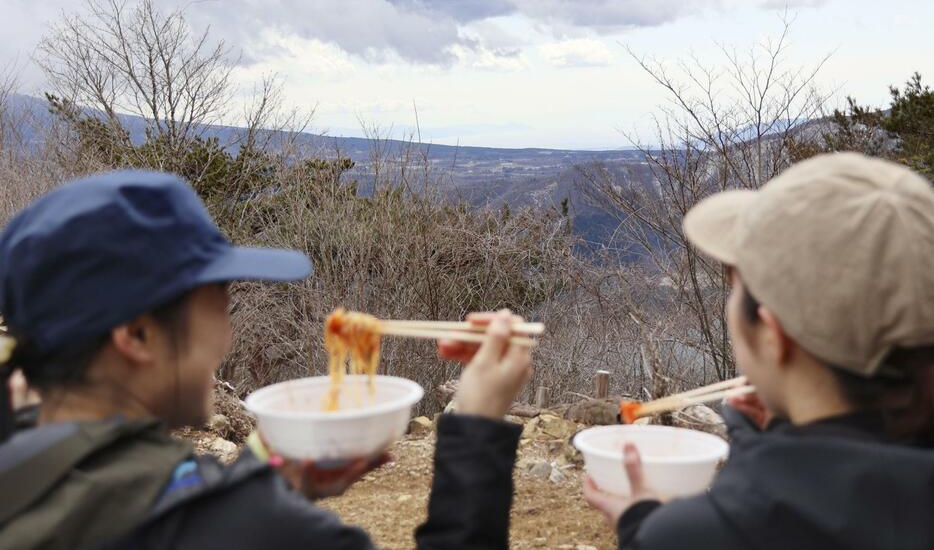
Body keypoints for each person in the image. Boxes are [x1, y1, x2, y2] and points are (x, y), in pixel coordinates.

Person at [0, 170, 532, 550]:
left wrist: (273, 474)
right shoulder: (268, 532)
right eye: (220, 308)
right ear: (137, 335)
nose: (226, 338)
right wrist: (477, 422)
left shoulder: (25, 456)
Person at [583, 152, 934, 549]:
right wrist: (773, 438)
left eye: (736, 285)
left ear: (772, 335)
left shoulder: (695, 536)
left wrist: (641, 527)